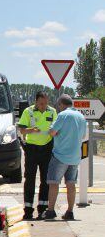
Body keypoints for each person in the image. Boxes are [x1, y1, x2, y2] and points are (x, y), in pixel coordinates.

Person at [43, 94, 87, 221]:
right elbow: (83, 136)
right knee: (71, 185)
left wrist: (54, 131)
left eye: (59, 106)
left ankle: (51, 211)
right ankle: (70, 212)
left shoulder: (62, 115)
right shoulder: (81, 117)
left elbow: (52, 132)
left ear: (61, 104)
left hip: (60, 156)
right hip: (75, 157)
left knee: (53, 183)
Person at [17, 91, 57, 220]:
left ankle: (43, 209)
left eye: (45, 103)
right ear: (36, 101)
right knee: (30, 179)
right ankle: (28, 210)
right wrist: (31, 130)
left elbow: (56, 128)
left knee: (45, 180)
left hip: (47, 148)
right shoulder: (28, 112)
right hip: (32, 149)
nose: (43, 106)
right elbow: (21, 130)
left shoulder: (52, 111)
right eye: (41, 104)